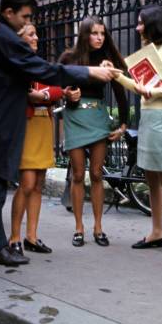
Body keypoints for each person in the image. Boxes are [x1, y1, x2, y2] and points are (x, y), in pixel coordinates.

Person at [0, 0, 119, 266]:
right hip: (5, 121)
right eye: (26, 17)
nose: (30, 24)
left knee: (11, 183)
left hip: (19, 120)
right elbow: (49, 72)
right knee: (1, 184)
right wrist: (90, 72)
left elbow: (48, 81)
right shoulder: (6, 38)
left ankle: (8, 241)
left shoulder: (2, 37)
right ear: (9, 13)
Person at [107, 4, 162, 259]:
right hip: (149, 118)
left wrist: (154, 91)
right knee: (151, 178)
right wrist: (117, 75)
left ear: (153, 24)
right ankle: (157, 232)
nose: (137, 27)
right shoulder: (149, 51)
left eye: (141, 23)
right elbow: (140, 88)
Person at [60, 16, 129, 247]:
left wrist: (123, 124)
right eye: (94, 33)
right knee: (78, 175)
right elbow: (57, 84)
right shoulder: (70, 57)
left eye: (102, 33)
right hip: (75, 117)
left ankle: (98, 228)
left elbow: (121, 91)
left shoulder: (107, 59)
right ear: (85, 34)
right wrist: (67, 93)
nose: (99, 37)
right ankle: (78, 228)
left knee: (97, 174)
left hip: (98, 118)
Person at [9, 23, 63, 255]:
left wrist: (43, 95)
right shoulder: (14, 62)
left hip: (43, 124)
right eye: (31, 34)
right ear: (18, 38)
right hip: (26, 126)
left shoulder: (38, 63)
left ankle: (31, 236)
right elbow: (18, 94)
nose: (36, 38)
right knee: (27, 183)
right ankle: (14, 237)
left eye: (36, 34)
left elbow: (58, 88)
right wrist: (37, 96)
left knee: (39, 182)